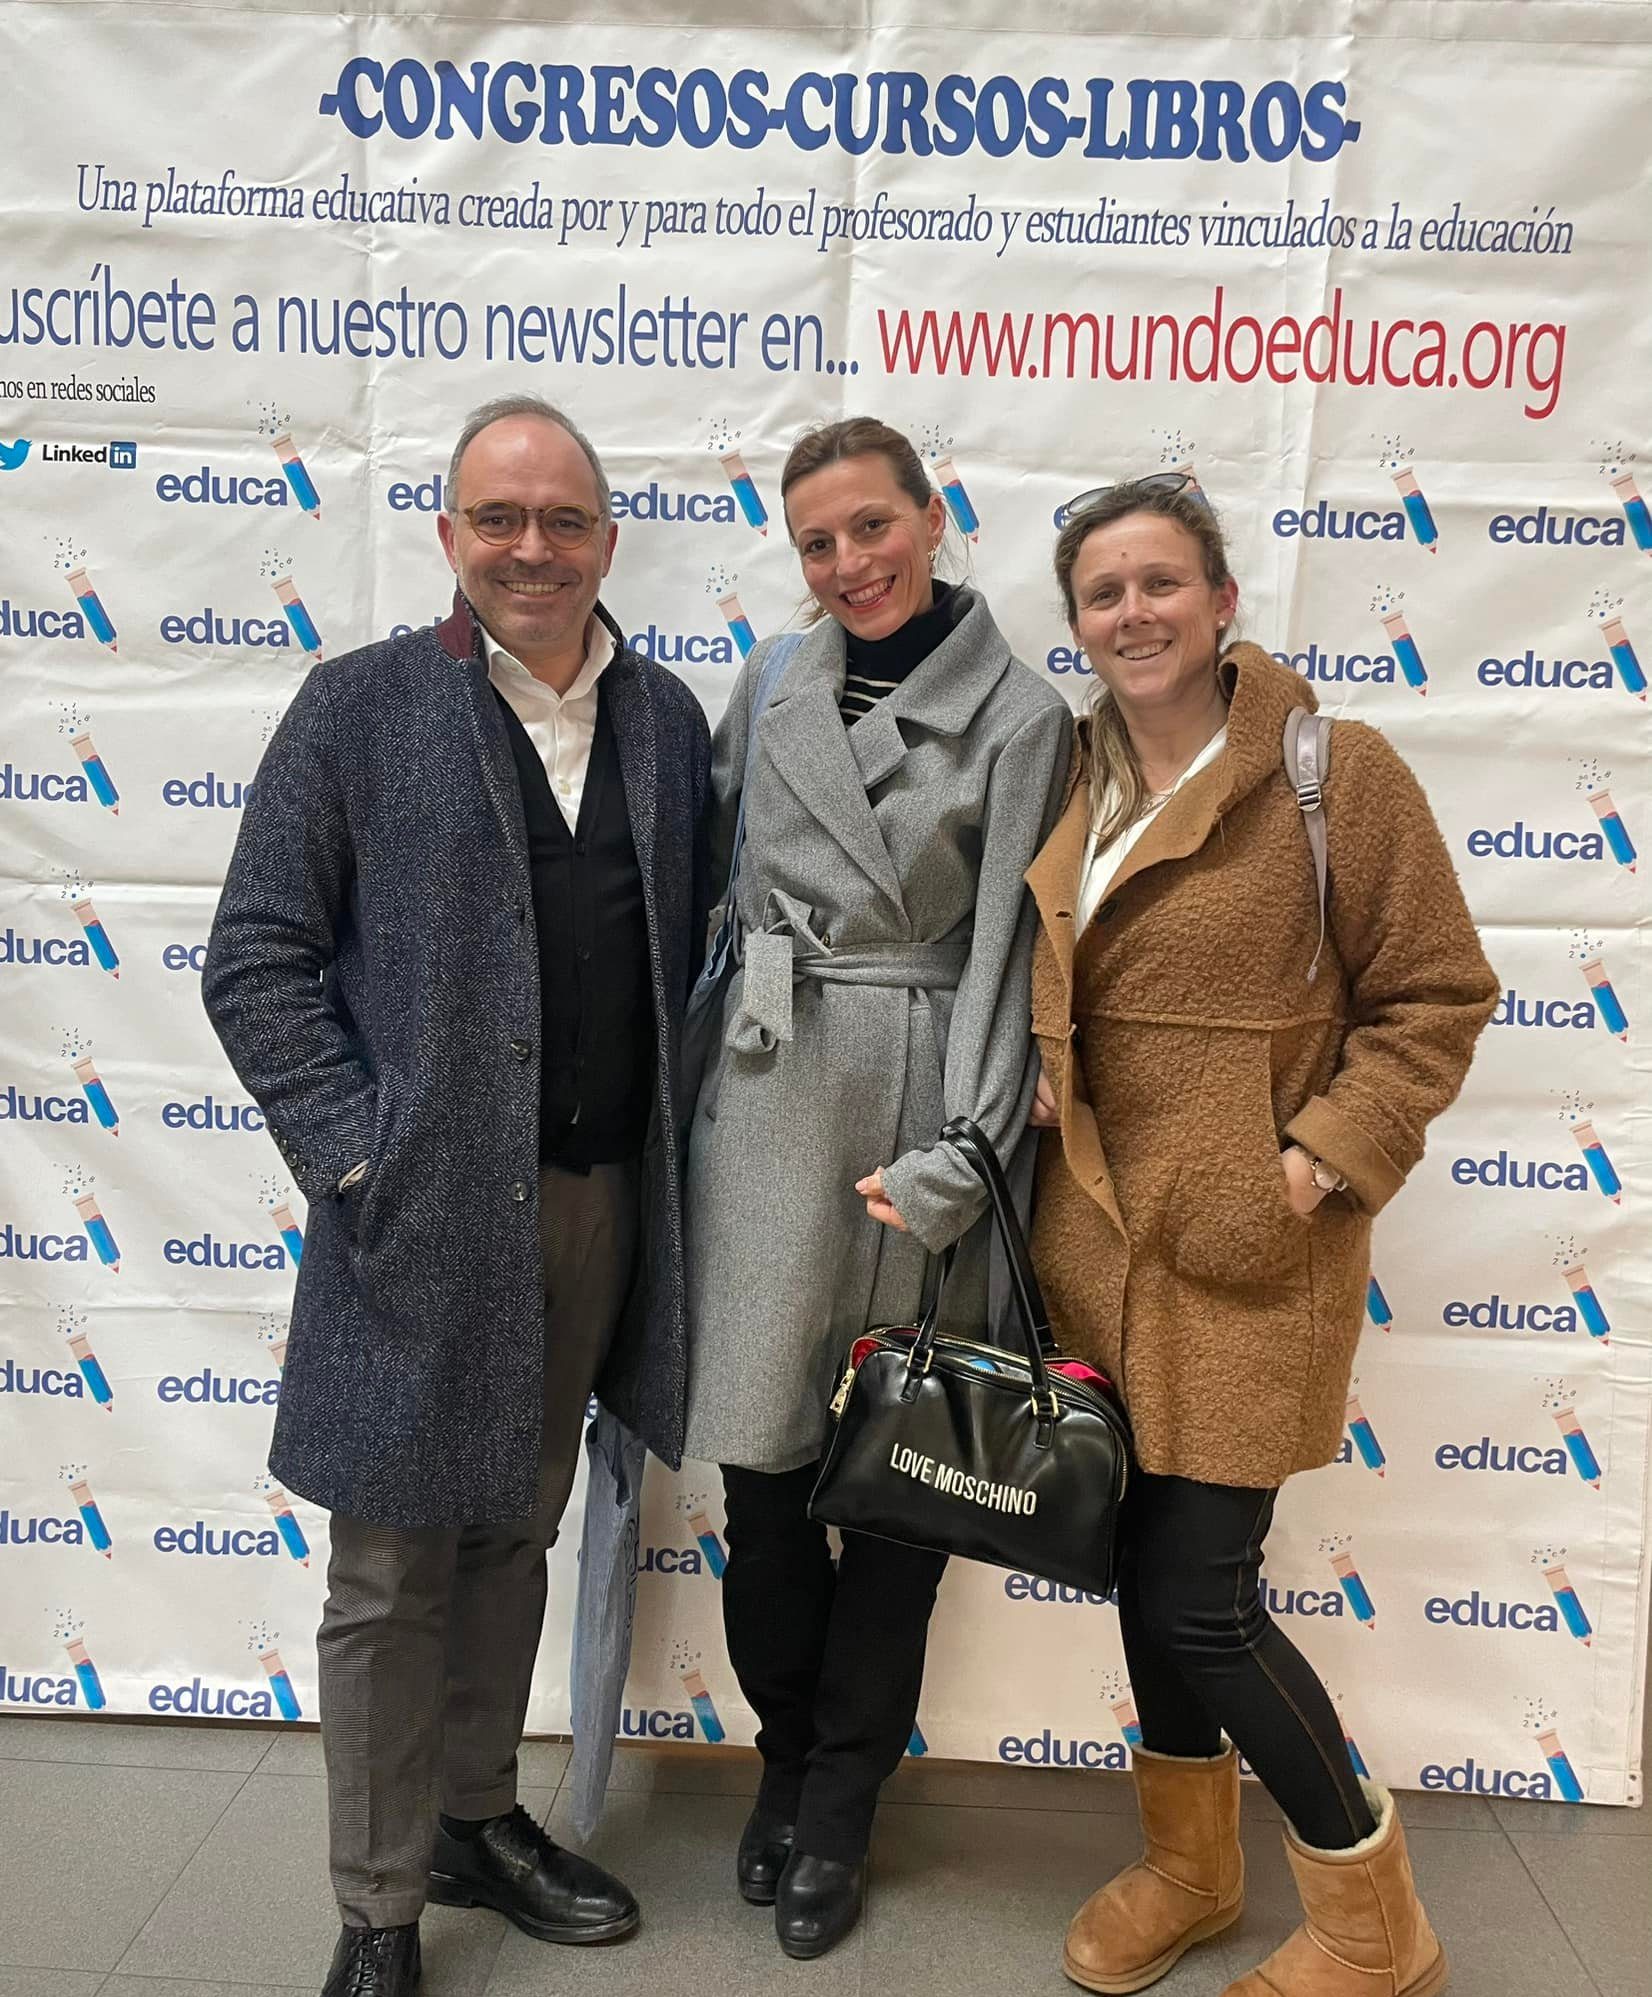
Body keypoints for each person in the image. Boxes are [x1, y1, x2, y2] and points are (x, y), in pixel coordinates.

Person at [201, 394, 712, 1997]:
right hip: (415, 1215)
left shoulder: (665, 721)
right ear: (447, 535)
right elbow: (256, 954)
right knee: (388, 1575)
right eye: (499, 517)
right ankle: (377, 1906)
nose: (531, 547)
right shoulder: (358, 706)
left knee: (515, 1530)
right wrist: (362, 1154)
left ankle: (477, 1816)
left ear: (608, 541)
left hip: (597, 1210)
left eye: (562, 519)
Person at [1023, 474, 1495, 1997]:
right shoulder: (1066, 771)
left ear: (1223, 600)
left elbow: (1436, 994)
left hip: (1250, 1258)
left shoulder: (1331, 772)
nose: (1135, 613)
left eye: (1162, 582)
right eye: (1104, 593)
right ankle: (1190, 1866)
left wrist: (1313, 1163)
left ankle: (1374, 1923)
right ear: (1077, 623)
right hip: (1098, 1248)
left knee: (1201, 1600)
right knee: (1138, 1570)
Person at [682, 416, 1071, 1961]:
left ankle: (842, 1800)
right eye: (817, 542)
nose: (848, 562)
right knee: (764, 1481)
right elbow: (711, 897)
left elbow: (1008, 952)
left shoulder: (1022, 715)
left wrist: (967, 1152)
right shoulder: (772, 679)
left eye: (871, 526)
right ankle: (784, 1757)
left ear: (930, 515)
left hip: (917, 1111)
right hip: (769, 1097)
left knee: (900, 1485)